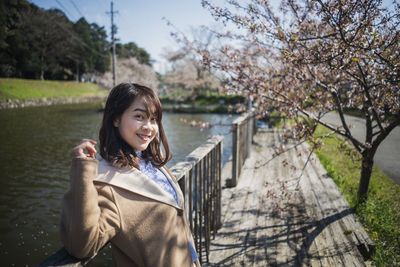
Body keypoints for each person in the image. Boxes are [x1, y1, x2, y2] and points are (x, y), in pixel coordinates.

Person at [60, 83, 200, 267]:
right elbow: (81, 246)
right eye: (139, 116)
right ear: (116, 119)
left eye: (153, 119)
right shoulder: (108, 181)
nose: (149, 127)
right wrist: (82, 170)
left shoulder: (151, 162)